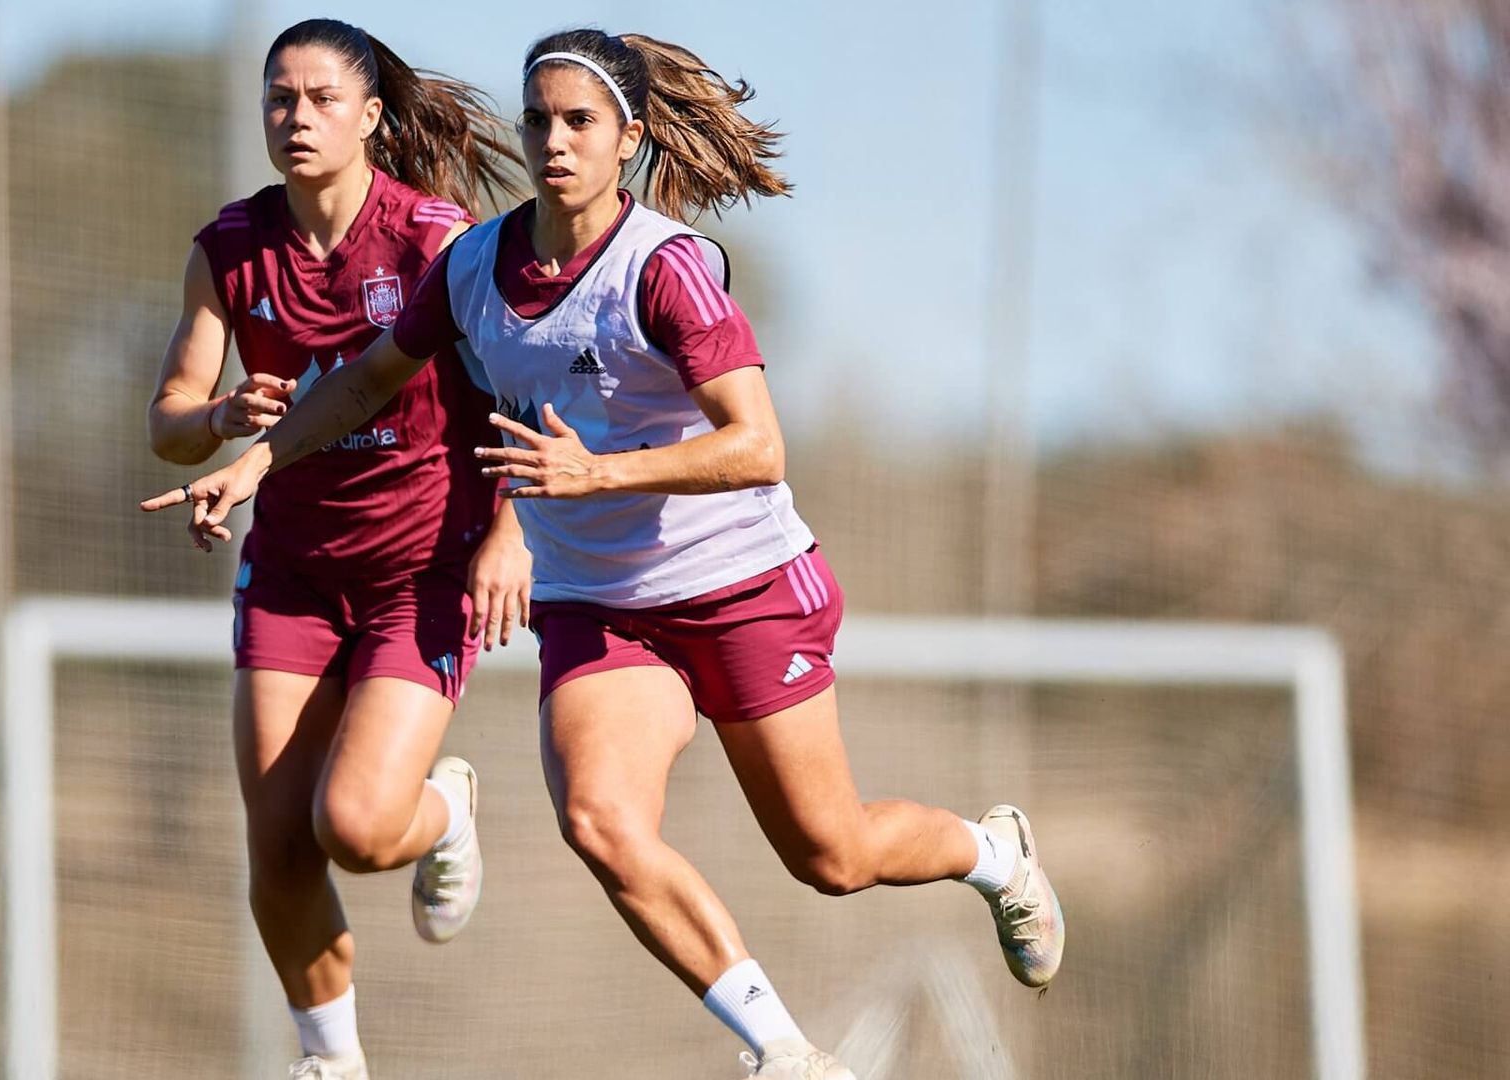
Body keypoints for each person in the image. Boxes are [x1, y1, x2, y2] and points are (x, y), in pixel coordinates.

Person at [147, 26, 1064, 1080]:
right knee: (598, 820)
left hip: (739, 586)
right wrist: (258, 458)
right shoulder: (476, 265)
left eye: (579, 121)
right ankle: (782, 1052)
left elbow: (759, 446)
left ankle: (995, 856)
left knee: (831, 853)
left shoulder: (664, 268)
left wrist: (596, 477)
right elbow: (362, 384)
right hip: (600, 603)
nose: (553, 140)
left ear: (627, 138)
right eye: (538, 119)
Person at [141, 18, 528, 1079]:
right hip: (295, 577)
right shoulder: (229, 249)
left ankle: (446, 808)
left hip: (421, 573)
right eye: (279, 99)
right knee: (277, 846)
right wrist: (220, 419)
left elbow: (528, 395)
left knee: (356, 828)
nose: (297, 117)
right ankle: (333, 1063)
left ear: (370, 116)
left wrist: (511, 530)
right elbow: (167, 419)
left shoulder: (437, 243)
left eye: (320, 99)